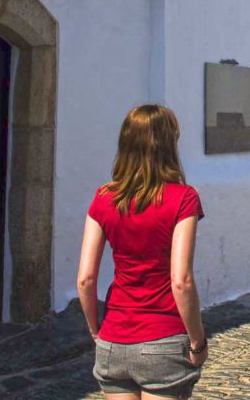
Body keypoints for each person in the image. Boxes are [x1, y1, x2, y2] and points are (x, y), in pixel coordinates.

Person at [78, 104, 208, 400]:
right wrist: (198, 341)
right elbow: (181, 280)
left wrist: (96, 330)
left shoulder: (103, 198)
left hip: (114, 339)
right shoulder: (183, 198)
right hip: (163, 336)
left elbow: (85, 278)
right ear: (168, 144)